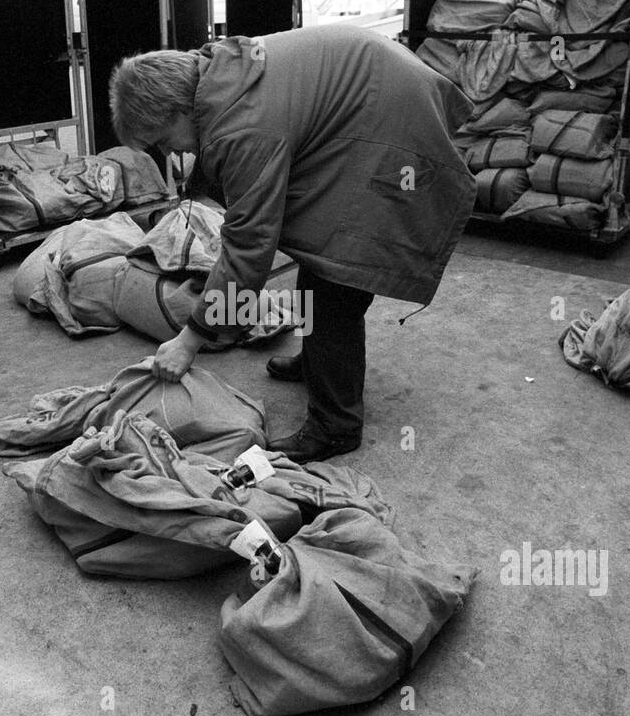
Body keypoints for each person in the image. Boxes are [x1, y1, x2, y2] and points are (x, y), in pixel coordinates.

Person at [108, 24, 476, 462]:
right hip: (375, 95)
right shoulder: (217, 72)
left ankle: (335, 426)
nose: (171, 154)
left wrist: (190, 340)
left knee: (337, 275)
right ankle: (319, 363)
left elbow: (249, 245)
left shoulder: (240, 126)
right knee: (320, 251)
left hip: (389, 126)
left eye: (164, 141)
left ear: (177, 109)